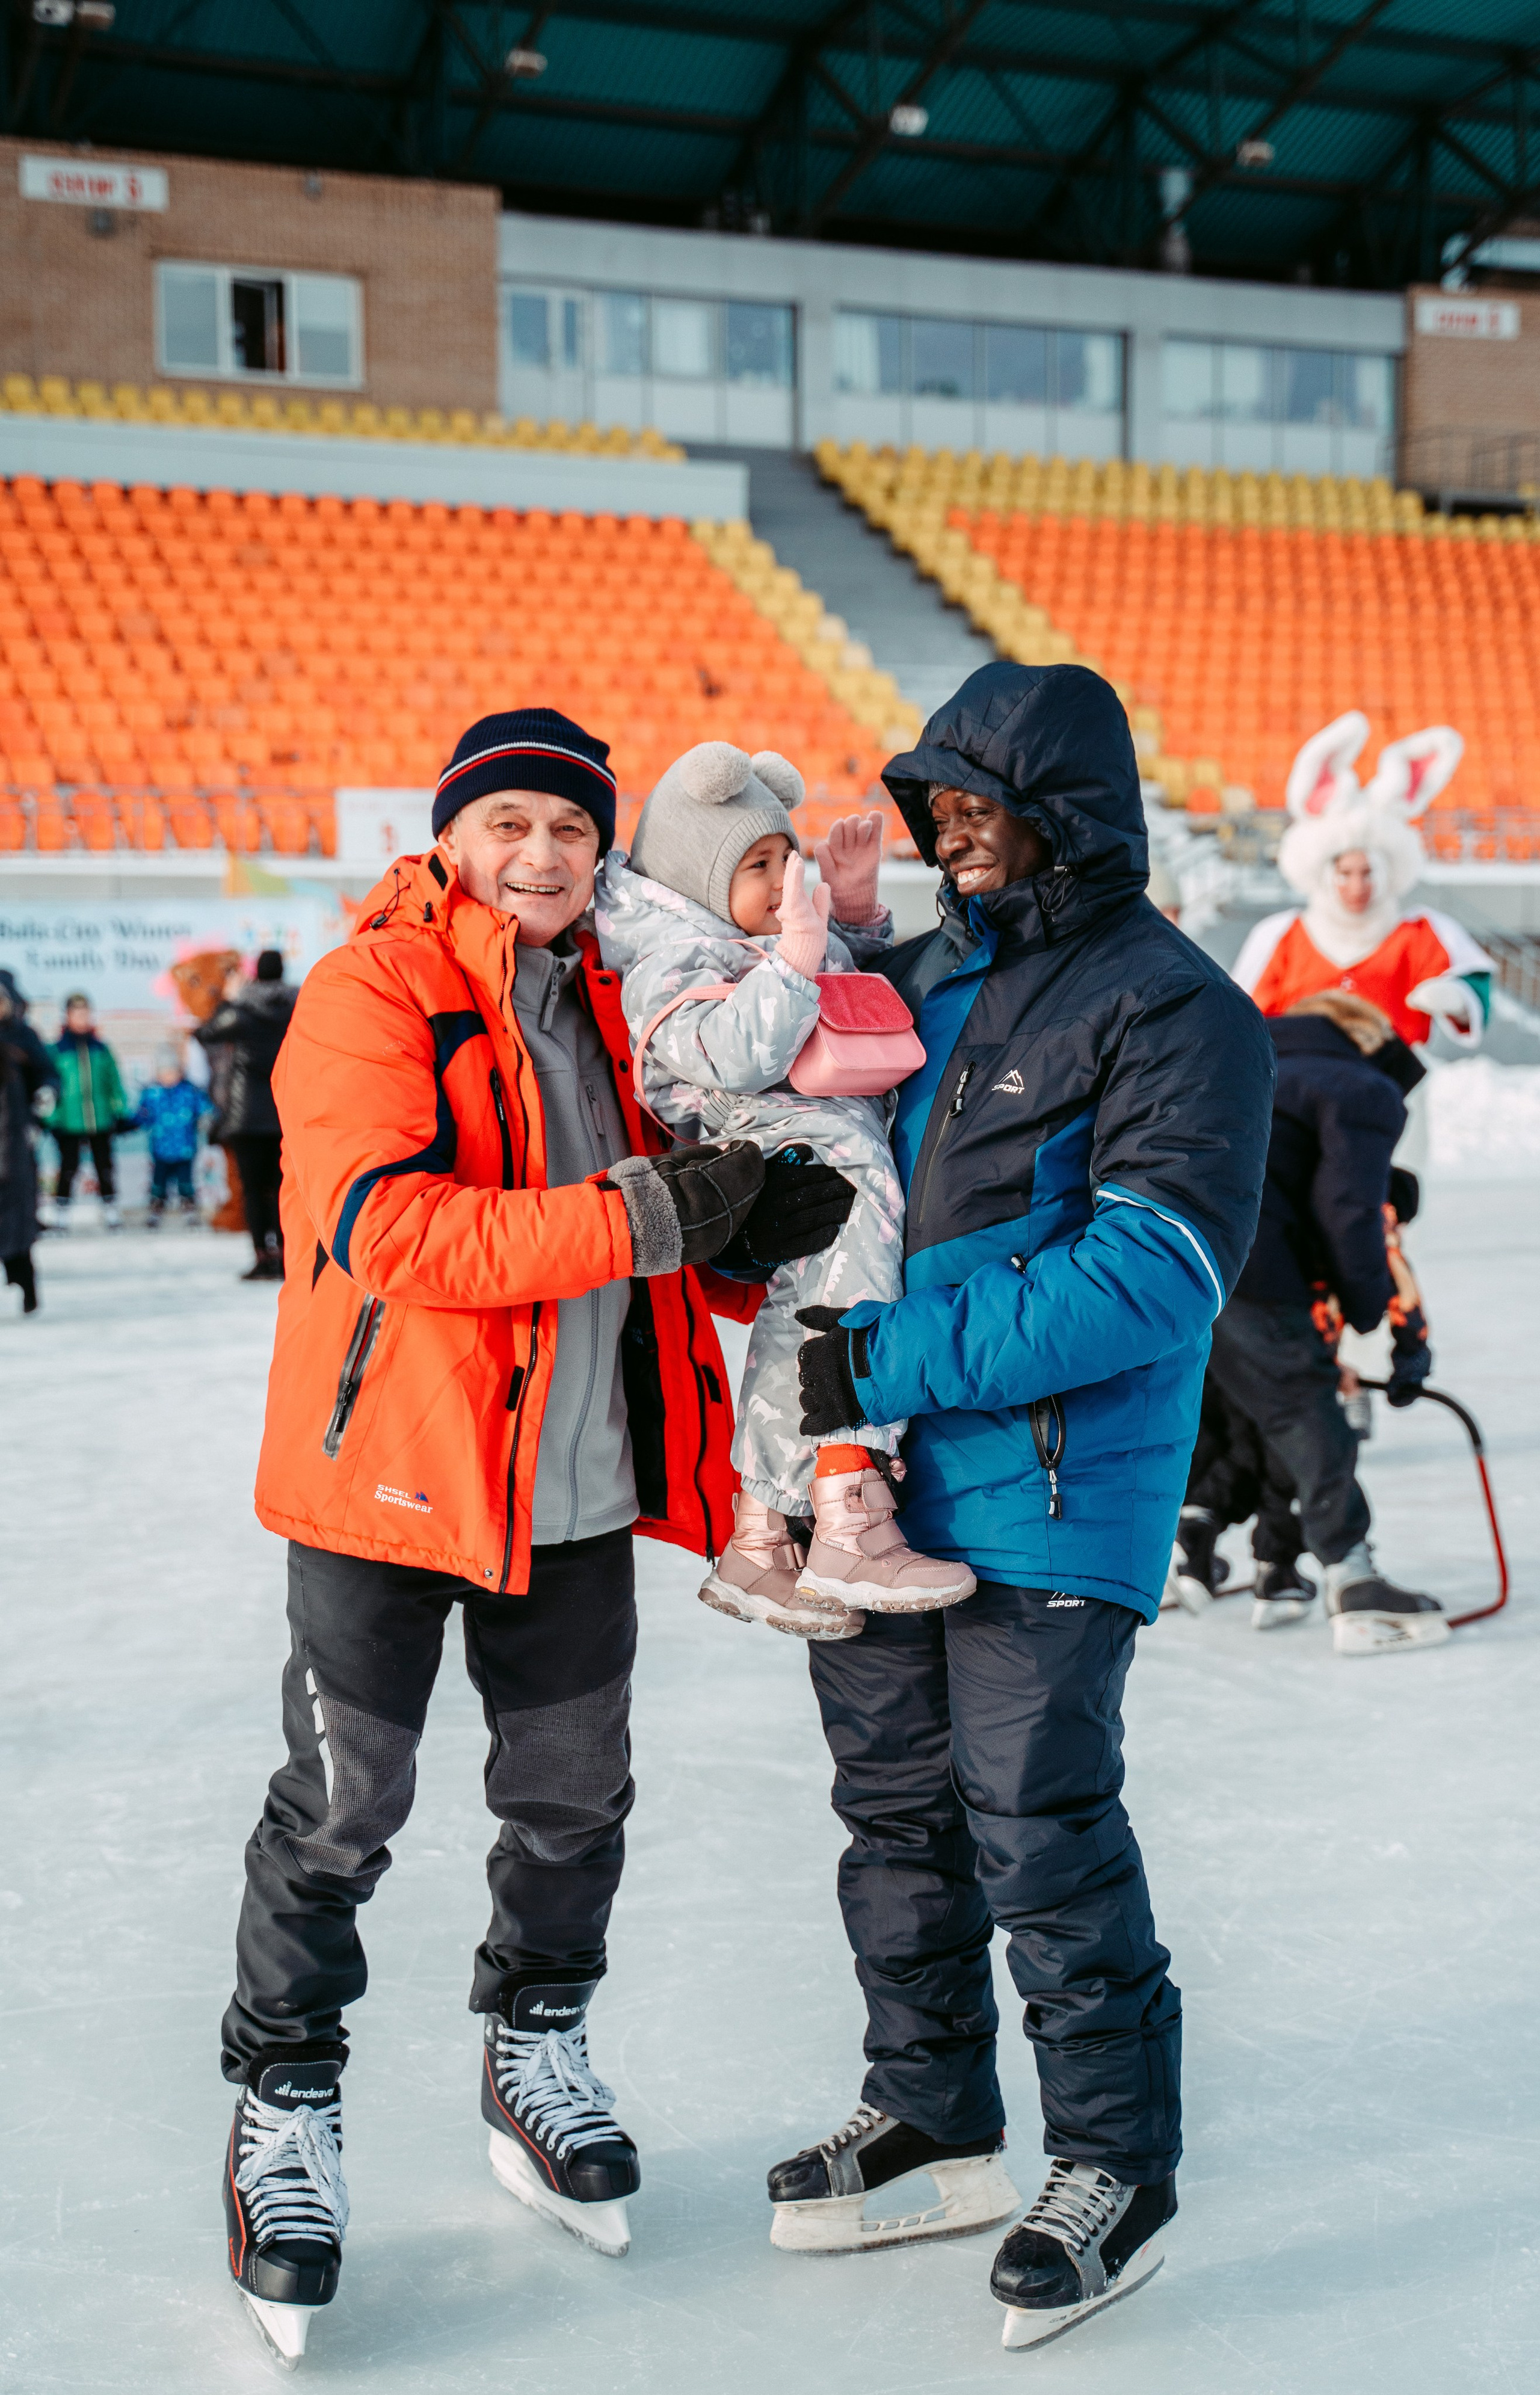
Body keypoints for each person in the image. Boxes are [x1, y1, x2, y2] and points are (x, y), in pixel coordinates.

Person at [218, 708, 853, 2367]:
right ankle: (285, 2103)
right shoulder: (376, 991)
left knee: (572, 1797)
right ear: (451, 837)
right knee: (348, 1805)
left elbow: (644, 1236)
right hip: (390, 1478)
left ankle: (537, 2044)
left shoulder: (626, 1001)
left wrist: (740, 1233)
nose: (543, 854)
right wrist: (661, 1213)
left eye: (572, 829)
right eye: (509, 823)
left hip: (572, 1488)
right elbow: (391, 1225)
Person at [762, 662, 1274, 2353]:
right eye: (938, 806)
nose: (952, 831)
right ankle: (935, 2113)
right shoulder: (920, 978)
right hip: (880, 1484)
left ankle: (1117, 2161)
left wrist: (880, 1352)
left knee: (1036, 1825)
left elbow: (1155, 1268)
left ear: (1069, 811)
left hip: (1053, 1489)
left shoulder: (1174, 1004)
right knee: (897, 1816)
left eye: (982, 803)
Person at [596, 739, 972, 1638]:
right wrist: (798, 958)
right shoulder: (670, 959)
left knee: (804, 1319)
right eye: (755, 867)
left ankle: (762, 1537)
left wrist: (847, 914)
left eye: (782, 860)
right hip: (793, 1155)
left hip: (823, 1153)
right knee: (848, 1321)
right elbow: (735, 1051)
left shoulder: (755, 941)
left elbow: (847, 1005)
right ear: (695, 876)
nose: (778, 884)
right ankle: (850, 1509)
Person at [1172, 989, 1444, 1654]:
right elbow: (1350, 1209)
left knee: (1230, 1412)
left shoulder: (1232, 1065)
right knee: (1305, 1411)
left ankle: (1189, 1547)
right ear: (1369, 1038)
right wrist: (1365, 1308)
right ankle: (1353, 1581)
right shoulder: (1358, 1087)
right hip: (1262, 1272)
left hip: (1177, 1264)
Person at [1234, 712, 1491, 1061]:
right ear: (1326, 872)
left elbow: (1475, 986)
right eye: (1346, 873)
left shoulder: (1419, 933)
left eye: (1367, 872)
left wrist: (1456, 997)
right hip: (1295, 1092)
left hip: (1391, 1092)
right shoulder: (1281, 935)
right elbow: (1241, 1015)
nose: (1357, 886)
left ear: (1387, 871)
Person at [194, 950, 297, 1280]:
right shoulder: (299, 1007)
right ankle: (286, 1255)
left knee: (253, 1190)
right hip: (287, 1112)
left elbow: (206, 1032)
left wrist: (228, 1000)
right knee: (284, 1190)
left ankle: (261, 1256)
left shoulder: (243, 1010)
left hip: (248, 1115)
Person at [0, 967, 59, 1314]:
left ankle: (26, 1283)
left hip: (15, 1139)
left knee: (18, 1218)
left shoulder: (23, 1037)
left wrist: (47, 1094)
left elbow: (48, 1073)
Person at [49, 990, 129, 1228]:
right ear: (68, 1016)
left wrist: (119, 1110)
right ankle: (61, 1214)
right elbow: (49, 1085)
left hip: (100, 1118)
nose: (82, 1018)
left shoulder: (101, 1049)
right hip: (69, 1119)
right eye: (77, 1013)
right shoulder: (56, 1050)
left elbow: (114, 1082)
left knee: (104, 1166)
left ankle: (111, 1211)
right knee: (68, 1166)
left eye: (86, 1013)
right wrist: (52, 1116)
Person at [134, 1044, 206, 1224]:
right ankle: (156, 1209)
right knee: (159, 1183)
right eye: (164, 1073)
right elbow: (142, 1116)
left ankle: (189, 1209)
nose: (168, 1077)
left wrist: (208, 1118)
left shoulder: (190, 1092)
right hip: (161, 1149)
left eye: (172, 1072)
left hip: (185, 1148)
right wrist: (129, 1122)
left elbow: (204, 1108)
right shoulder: (152, 1094)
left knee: (186, 1182)